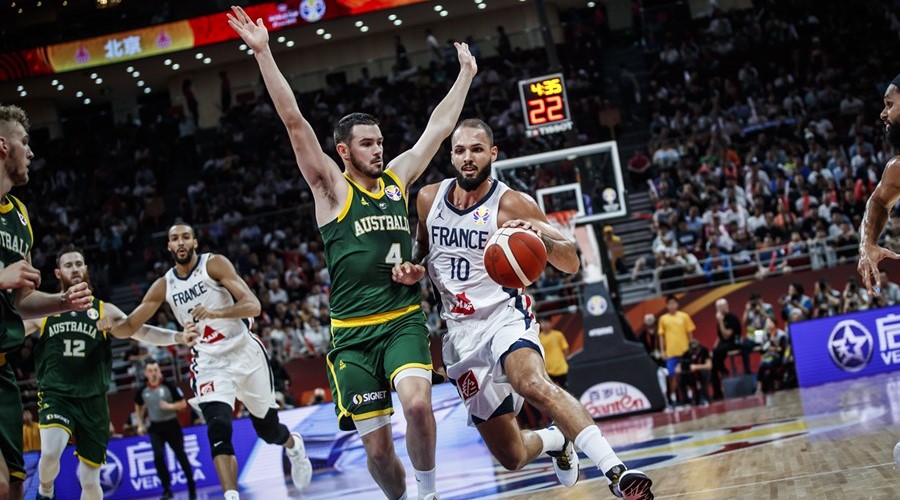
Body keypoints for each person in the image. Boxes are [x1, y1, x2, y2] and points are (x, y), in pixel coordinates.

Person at [227, 7, 476, 499]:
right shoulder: (329, 190)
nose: (379, 150)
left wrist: (465, 74)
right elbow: (294, 122)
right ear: (343, 151)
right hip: (352, 336)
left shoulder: (397, 179)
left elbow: (438, 129)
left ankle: (427, 492)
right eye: (367, 144)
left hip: (402, 320)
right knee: (379, 452)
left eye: (380, 142)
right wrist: (263, 53)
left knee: (419, 406)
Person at [404, 119, 653, 499]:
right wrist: (414, 265)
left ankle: (616, 473)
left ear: (492, 153)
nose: (468, 158)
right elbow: (421, 248)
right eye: (460, 150)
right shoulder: (427, 199)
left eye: (476, 149)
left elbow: (571, 260)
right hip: (460, 335)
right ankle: (555, 440)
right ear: (451, 155)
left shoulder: (513, 203)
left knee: (533, 383)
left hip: (505, 318)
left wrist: (541, 239)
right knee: (512, 456)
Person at [101, 224, 312, 500]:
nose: (180, 242)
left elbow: (254, 305)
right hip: (209, 362)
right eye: (174, 238)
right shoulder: (165, 285)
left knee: (268, 430)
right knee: (218, 428)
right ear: (168, 246)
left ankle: (293, 445)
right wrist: (106, 324)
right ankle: (231, 496)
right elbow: (130, 328)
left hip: (244, 352)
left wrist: (216, 312)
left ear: (195, 242)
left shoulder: (214, 265)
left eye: (185, 237)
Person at [26, 247, 198, 500]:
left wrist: (179, 337)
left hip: (94, 400)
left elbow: (142, 332)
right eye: (68, 265)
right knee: (51, 452)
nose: (75, 269)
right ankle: (45, 490)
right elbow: (11, 331)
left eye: (79, 264)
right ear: (58, 272)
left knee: (90, 479)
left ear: (86, 268)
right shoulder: (45, 310)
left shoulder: (104, 310)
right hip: (57, 395)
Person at [0, 105, 94, 500]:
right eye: (25, 142)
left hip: (4, 372)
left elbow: (21, 301)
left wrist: (62, 302)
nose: (31, 152)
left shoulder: (19, 215)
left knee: (17, 486)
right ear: (3, 146)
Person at [859, 73, 900, 293]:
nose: (883, 114)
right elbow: (879, 202)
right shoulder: (897, 169)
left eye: (889, 104)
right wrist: (868, 242)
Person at [135, 360, 197, 500]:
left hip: (172, 425)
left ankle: (191, 488)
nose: (153, 373)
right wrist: (140, 423)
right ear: (146, 373)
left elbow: (183, 404)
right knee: (158, 457)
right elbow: (138, 405)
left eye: (155, 370)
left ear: (159, 371)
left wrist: (169, 406)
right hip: (155, 427)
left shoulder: (169, 385)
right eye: (150, 370)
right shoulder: (143, 390)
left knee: (181, 455)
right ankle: (167, 490)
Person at [711, 298, 753, 400]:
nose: (721, 309)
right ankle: (717, 392)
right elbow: (720, 337)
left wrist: (720, 322)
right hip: (724, 344)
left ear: (727, 306)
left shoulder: (732, 318)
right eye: (718, 307)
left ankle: (723, 370)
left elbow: (726, 335)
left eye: (722, 306)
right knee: (713, 365)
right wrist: (715, 345)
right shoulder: (721, 319)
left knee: (718, 352)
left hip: (734, 342)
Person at [658, 295, 696, 407]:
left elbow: (690, 334)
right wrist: (662, 351)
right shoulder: (663, 319)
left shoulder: (684, 316)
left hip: (685, 352)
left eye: (673, 303)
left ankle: (689, 397)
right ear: (667, 305)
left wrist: (692, 348)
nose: (672, 305)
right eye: (669, 303)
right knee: (672, 376)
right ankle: (674, 399)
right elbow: (661, 336)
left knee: (687, 375)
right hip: (671, 353)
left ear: (677, 304)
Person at [676, 340, 712, 406]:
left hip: (701, 373)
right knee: (680, 379)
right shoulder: (686, 354)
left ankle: (704, 397)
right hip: (690, 376)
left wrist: (696, 367)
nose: (695, 352)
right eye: (693, 350)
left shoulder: (704, 351)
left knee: (705, 373)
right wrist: (685, 368)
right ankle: (686, 400)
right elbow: (678, 369)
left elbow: (709, 365)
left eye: (696, 349)